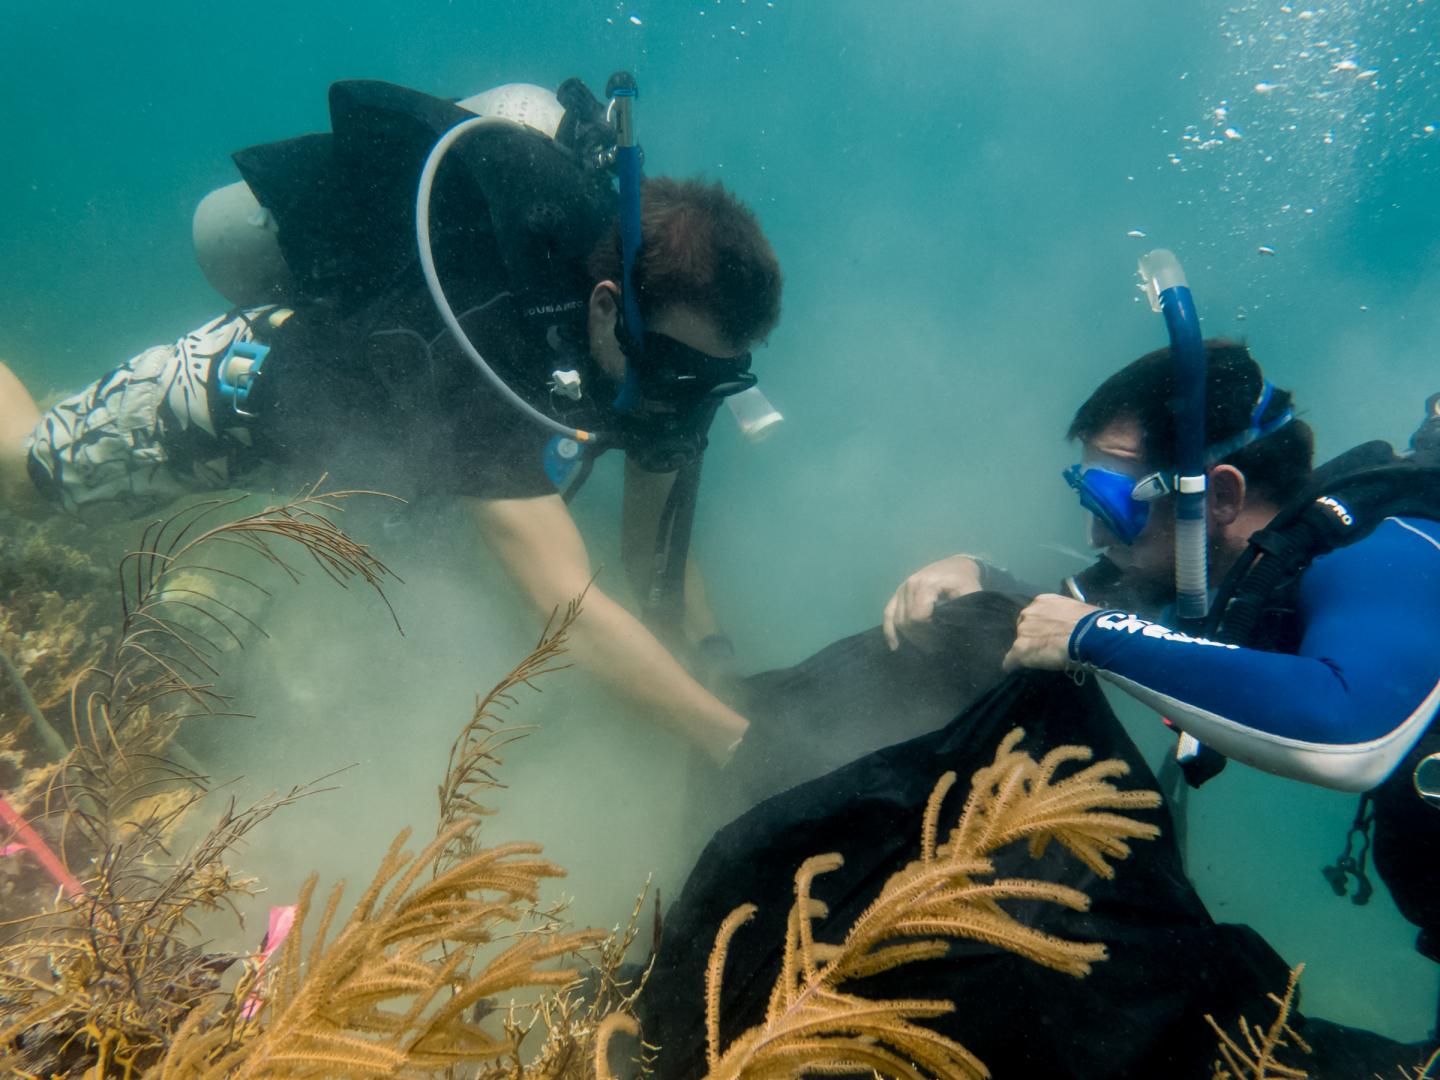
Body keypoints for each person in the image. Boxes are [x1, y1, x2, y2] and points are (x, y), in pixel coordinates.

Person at [0, 77, 783, 767]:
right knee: (23, 473)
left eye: (720, 378)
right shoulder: (484, 346)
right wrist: (736, 745)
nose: (689, 398)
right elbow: (567, 613)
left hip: (389, 472)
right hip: (254, 389)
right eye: (681, 371)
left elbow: (657, 559)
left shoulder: (664, 371)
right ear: (608, 308)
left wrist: (720, 672)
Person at [884, 340, 1440, 957]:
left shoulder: (1390, 552)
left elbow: (1350, 736)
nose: (1096, 534)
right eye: (1087, 496)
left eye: (1115, 503)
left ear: (1220, 497)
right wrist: (975, 576)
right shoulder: (1209, 563)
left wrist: (1092, 636)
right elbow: (1054, 619)